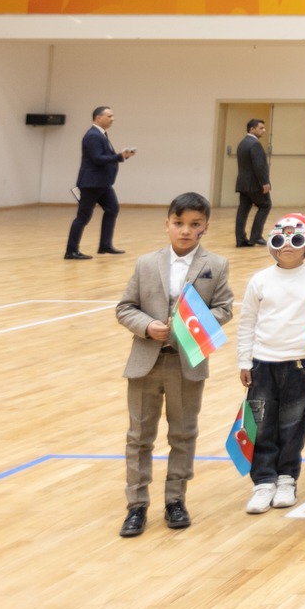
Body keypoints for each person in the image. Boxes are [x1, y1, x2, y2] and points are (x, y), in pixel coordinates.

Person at [114, 192, 232, 537]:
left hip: (187, 363)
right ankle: (136, 505)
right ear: (166, 224)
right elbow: (124, 308)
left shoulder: (217, 265)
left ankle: (175, 499)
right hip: (145, 364)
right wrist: (146, 326)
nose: (185, 230)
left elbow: (224, 308)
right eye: (178, 223)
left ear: (205, 228)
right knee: (139, 436)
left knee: (183, 433)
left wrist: (194, 323)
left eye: (194, 225)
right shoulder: (146, 264)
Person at [236, 212, 305, 515]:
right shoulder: (259, 280)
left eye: (296, 239)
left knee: (293, 424)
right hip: (262, 364)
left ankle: (287, 477)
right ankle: (263, 480)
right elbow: (247, 322)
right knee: (261, 424)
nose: (288, 245)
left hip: (299, 365)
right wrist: (244, 360)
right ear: (272, 244)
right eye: (280, 239)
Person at [67, 104, 134, 260]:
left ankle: (105, 245)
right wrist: (119, 156)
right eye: (109, 116)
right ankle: (71, 251)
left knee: (112, 209)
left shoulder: (101, 135)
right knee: (83, 217)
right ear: (98, 118)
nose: (113, 119)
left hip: (102, 183)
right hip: (91, 183)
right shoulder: (93, 136)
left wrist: (122, 156)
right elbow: (97, 159)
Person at [234, 117, 271, 249]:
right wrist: (265, 183)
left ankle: (240, 239)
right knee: (265, 205)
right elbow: (259, 166)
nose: (264, 130)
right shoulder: (254, 144)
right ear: (252, 129)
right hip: (254, 184)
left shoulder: (242, 143)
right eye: (261, 128)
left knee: (243, 210)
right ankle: (256, 236)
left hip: (243, 184)